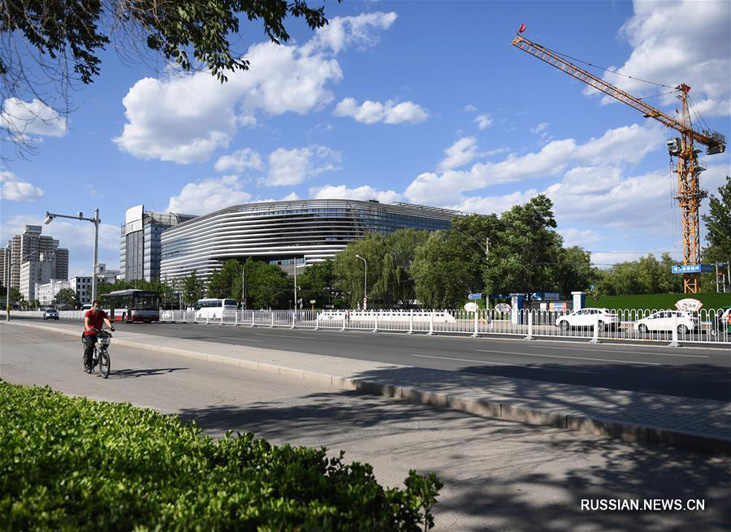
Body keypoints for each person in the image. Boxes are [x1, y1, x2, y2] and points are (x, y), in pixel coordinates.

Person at [82, 300, 115, 373]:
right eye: (96, 306)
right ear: (93, 306)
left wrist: (111, 327)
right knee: (90, 345)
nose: (98, 308)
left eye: (99, 307)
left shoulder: (102, 313)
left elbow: (106, 320)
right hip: (89, 333)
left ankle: (103, 352)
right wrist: (88, 328)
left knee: (106, 339)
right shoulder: (89, 313)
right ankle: (88, 364)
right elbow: (86, 321)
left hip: (98, 332)